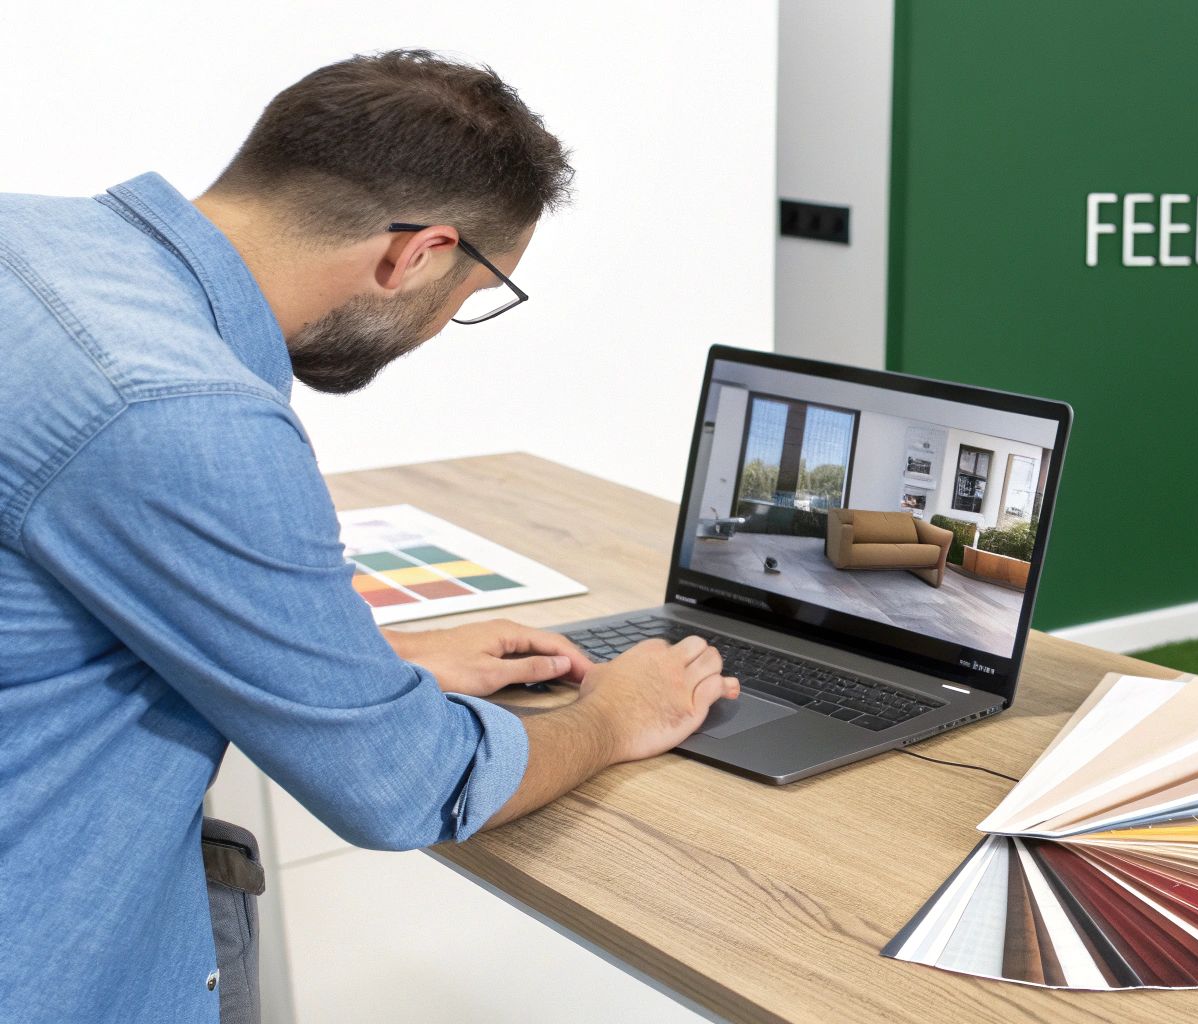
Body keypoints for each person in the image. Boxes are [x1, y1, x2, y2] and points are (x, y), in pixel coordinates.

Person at [0, 49, 739, 1023]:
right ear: (418, 255)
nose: (441, 324)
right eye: (473, 297)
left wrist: (355, 661)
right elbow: (404, 785)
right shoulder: (186, 412)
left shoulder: (30, 240)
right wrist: (615, 714)